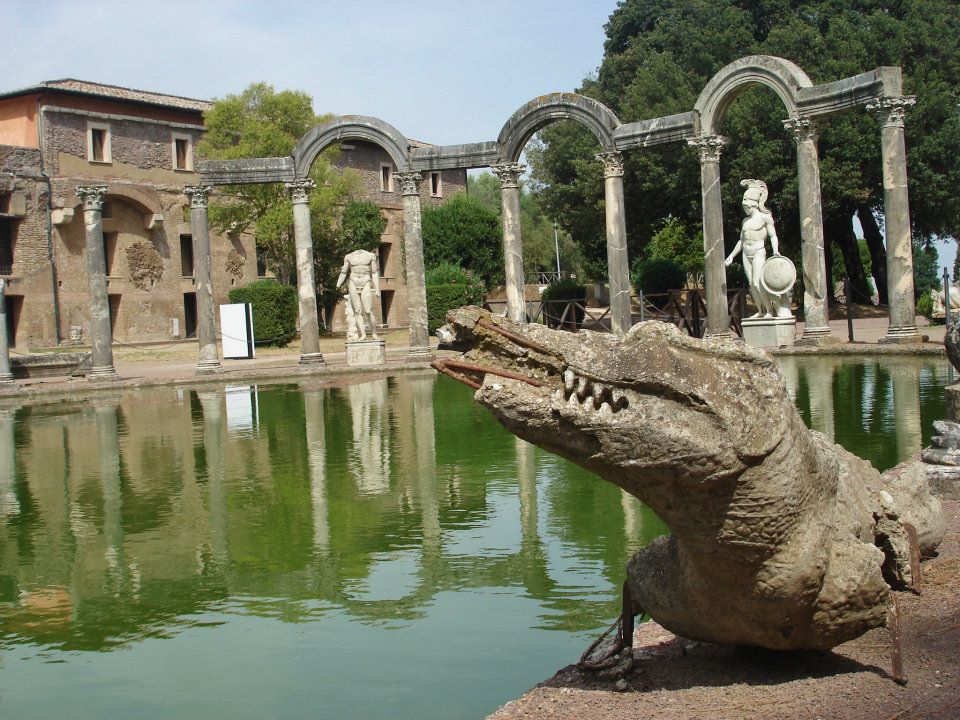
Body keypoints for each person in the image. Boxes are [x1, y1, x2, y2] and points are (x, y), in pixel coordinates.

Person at [725, 179, 783, 318]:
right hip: (746, 252)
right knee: (751, 284)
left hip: (758, 251)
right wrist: (731, 256)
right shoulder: (745, 221)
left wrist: (775, 250)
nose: (744, 207)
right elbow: (741, 240)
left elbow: (773, 236)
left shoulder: (765, 218)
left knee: (758, 282)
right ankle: (761, 311)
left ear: (754, 204)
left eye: (746, 205)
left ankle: (769, 310)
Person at [336, 249, 381, 340]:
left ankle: (374, 333)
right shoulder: (349, 257)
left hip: (366, 281)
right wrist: (338, 284)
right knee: (357, 311)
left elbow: (374, 272)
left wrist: (377, 289)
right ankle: (363, 334)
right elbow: (344, 272)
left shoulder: (370, 256)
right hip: (353, 282)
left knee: (368, 310)